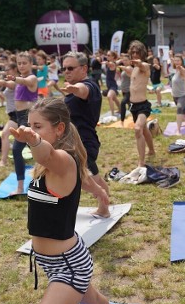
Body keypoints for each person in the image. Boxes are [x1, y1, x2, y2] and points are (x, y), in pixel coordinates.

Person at [9, 98, 119, 304]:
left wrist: (33, 140)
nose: (32, 129)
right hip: (58, 260)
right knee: (89, 297)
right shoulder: (56, 165)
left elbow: (45, 152)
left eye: (39, 126)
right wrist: (100, 193)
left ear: (59, 129)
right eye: (29, 124)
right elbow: (83, 177)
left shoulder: (61, 159)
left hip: (67, 264)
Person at [61, 51, 110, 216]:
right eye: (64, 69)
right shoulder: (72, 89)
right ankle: (103, 206)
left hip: (84, 144)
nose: (66, 71)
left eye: (70, 68)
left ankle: (104, 208)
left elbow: (83, 91)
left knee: (88, 179)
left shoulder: (90, 86)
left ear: (84, 68)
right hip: (74, 143)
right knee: (88, 178)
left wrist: (75, 88)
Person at [6, 52, 39, 195]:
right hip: (19, 118)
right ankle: (21, 186)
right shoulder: (20, 80)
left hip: (29, 118)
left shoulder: (32, 78)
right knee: (23, 149)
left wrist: (15, 78)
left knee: (21, 149)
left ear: (31, 64)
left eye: (24, 63)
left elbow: (27, 82)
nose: (21, 66)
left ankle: (21, 187)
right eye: (19, 63)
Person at [122, 41, 156, 168]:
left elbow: (143, 65)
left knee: (137, 129)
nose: (135, 54)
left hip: (143, 106)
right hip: (134, 106)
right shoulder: (134, 69)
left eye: (137, 52)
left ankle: (141, 162)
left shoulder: (145, 66)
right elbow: (129, 69)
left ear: (142, 53)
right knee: (144, 129)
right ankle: (152, 150)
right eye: (133, 52)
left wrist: (139, 62)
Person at [0, 63, 19, 167]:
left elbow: (11, 85)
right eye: (5, 70)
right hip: (13, 114)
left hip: (18, 114)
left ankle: (3, 161)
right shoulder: (11, 81)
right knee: (24, 138)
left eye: (8, 69)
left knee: (5, 134)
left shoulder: (16, 81)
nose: (6, 72)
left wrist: (1, 82)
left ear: (15, 69)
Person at [170, 54, 185, 135]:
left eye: (178, 60)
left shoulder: (182, 70)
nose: (176, 62)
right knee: (183, 109)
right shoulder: (175, 71)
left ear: (182, 61)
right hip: (175, 96)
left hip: (183, 96)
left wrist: (181, 69)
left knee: (179, 108)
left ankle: (178, 130)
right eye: (175, 60)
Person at [104, 51, 121, 116]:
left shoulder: (112, 64)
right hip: (109, 85)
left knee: (109, 97)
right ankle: (121, 109)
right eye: (107, 55)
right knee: (114, 98)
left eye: (108, 55)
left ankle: (112, 114)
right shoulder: (112, 63)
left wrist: (105, 62)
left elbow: (111, 64)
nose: (107, 56)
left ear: (113, 57)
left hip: (113, 85)